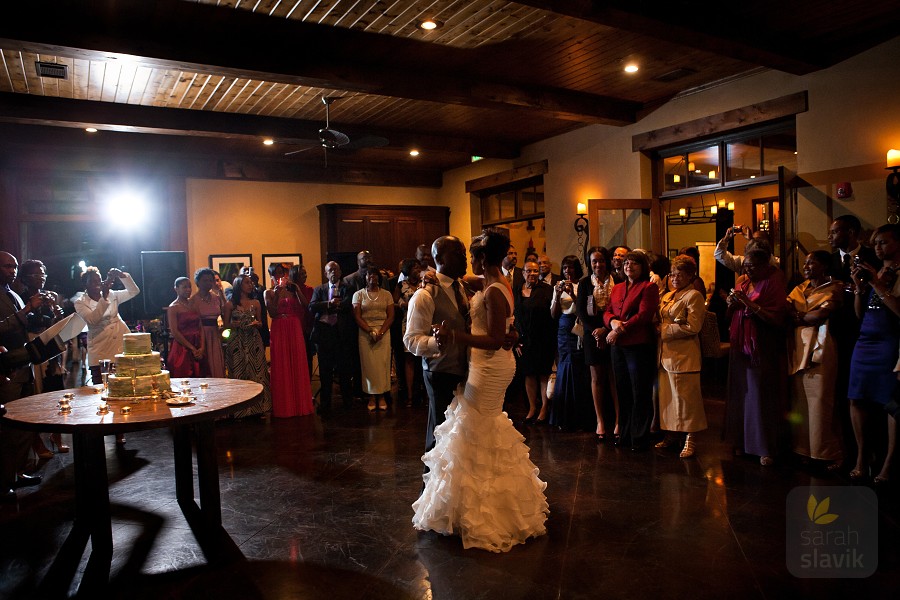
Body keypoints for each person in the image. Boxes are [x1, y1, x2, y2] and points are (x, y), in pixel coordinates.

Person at [412, 230, 548, 553]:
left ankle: (476, 508)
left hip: (488, 367)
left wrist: (456, 336)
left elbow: (495, 337)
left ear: (482, 258)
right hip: (481, 366)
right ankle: (475, 500)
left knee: (472, 428)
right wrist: (428, 273)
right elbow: (458, 281)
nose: (469, 261)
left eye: (471, 255)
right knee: (476, 427)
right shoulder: (481, 283)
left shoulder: (493, 290)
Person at [405, 236, 471, 456]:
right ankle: (431, 487)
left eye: (464, 252)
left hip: (464, 370)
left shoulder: (460, 286)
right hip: (440, 371)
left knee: (456, 436)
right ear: (440, 257)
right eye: (458, 253)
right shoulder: (424, 295)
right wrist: (436, 343)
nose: (465, 259)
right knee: (439, 434)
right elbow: (411, 339)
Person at [724, 248, 788, 466]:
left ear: (764, 266)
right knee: (741, 392)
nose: (748, 270)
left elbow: (777, 318)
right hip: (740, 343)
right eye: (746, 267)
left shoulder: (772, 284)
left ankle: (764, 446)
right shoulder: (742, 283)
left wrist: (749, 304)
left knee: (760, 395)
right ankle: (742, 442)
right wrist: (732, 305)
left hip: (761, 344)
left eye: (752, 266)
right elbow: (731, 313)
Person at [848, 224, 900, 484]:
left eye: (883, 242)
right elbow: (860, 313)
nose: (878, 248)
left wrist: (877, 285)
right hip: (865, 340)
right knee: (856, 397)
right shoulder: (877, 271)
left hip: (890, 341)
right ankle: (861, 457)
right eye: (875, 243)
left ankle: (889, 464)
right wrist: (859, 288)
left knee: (891, 403)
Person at [827, 214, 879, 467]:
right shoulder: (828, 262)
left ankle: (872, 452)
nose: (830, 237)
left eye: (835, 232)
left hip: (866, 331)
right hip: (836, 333)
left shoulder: (872, 257)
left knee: (867, 396)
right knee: (841, 394)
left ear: (851, 232)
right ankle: (847, 452)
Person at [1, 251, 51, 501]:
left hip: (24, 364)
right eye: (7, 266)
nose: (12, 270)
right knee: (7, 427)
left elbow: (26, 326)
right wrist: (26, 309)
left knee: (23, 425)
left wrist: (39, 309)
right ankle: (5, 480)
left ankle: (18, 472)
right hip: (6, 368)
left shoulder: (14, 295)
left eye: (15, 267)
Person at [787, 251, 842, 467]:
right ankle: (803, 449)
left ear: (825, 266)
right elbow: (787, 310)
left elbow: (820, 315)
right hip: (799, 346)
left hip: (821, 347)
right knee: (800, 400)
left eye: (812, 263)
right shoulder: (800, 288)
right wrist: (804, 316)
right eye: (805, 263)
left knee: (820, 400)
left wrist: (799, 315)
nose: (807, 266)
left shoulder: (835, 287)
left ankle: (824, 452)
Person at [603, 251, 659, 451]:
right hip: (618, 347)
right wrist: (612, 321)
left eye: (634, 263)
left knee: (640, 391)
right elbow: (608, 311)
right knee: (623, 391)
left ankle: (640, 436)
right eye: (626, 263)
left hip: (638, 345)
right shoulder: (617, 288)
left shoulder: (649, 287)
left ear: (643, 267)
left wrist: (619, 329)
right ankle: (625, 434)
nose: (629, 266)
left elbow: (644, 315)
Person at [656, 255, 707, 458]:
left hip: (684, 355)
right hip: (665, 355)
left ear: (690, 276)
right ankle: (672, 434)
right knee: (668, 399)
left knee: (687, 400)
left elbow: (693, 326)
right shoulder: (668, 295)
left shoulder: (693, 296)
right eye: (672, 274)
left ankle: (691, 438)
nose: (675, 278)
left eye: (680, 275)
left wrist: (664, 330)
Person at [17, 260, 67, 457]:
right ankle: (37, 442)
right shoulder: (20, 298)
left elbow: (55, 325)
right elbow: (18, 325)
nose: (41, 278)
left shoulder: (49, 298)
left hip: (49, 348)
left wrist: (56, 311)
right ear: (25, 278)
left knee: (57, 391)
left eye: (43, 275)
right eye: (36, 275)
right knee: (35, 396)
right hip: (31, 347)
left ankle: (57, 435)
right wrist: (30, 306)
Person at [577, 246, 618, 441]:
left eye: (601, 260)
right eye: (594, 261)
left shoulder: (617, 280)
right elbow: (582, 312)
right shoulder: (585, 283)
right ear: (589, 263)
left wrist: (607, 331)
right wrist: (596, 332)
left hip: (614, 332)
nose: (598, 264)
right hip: (592, 334)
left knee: (614, 377)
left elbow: (621, 308)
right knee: (597, 377)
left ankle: (619, 420)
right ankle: (600, 421)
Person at [265, 262, 314, 418]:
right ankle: (284, 405)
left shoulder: (293, 290)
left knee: (297, 363)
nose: (280, 276)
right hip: (279, 327)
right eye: (277, 273)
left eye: (283, 273)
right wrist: (278, 293)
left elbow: (306, 306)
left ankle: (301, 404)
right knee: (282, 364)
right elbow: (272, 313)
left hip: (294, 326)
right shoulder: (268, 293)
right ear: (271, 276)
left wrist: (297, 289)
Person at [550, 255, 591, 431]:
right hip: (564, 328)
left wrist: (573, 295)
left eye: (571, 267)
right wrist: (558, 294)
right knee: (564, 367)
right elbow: (553, 314)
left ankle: (581, 417)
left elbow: (583, 310)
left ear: (577, 269)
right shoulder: (557, 286)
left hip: (579, 327)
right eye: (565, 268)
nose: (568, 271)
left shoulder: (582, 285)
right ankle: (563, 416)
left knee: (579, 368)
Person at [309, 262, 355, 412]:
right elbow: (312, 306)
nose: (333, 272)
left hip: (341, 334)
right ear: (326, 274)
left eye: (335, 269)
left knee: (344, 372)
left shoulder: (348, 288)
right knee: (325, 372)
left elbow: (348, 305)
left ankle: (348, 404)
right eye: (330, 270)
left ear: (340, 272)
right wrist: (329, 304)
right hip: (324, 335)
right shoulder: (319, 289)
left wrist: (336, 306)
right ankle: (326, 405)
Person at [223, 275, 271, 418]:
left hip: (253, 339)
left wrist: (257, 323)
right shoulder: (230, 304)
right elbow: (225, 325)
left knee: (257, 373)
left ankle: (258, 409)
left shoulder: (256, 302)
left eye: (251, 283)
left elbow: (261, 322)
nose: (250, 285)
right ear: (239, 285)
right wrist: (234, 325)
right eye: (247, 283)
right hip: (237, 340)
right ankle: (239, 411)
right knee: (239, 373)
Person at [514, 260, 555, 424]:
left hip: (543, 338)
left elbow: (552, 315)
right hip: (524, 340)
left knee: (543, 373)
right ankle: (532, 407)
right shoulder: (516, 290)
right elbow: (513, 315)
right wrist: (516, 339)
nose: (532, 274)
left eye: (535, 271)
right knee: (529, 374)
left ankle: (545, 407)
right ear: (523, 273)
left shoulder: (547, 290)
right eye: (528, 271)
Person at [353, 268, 395, 411]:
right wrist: (370, 331)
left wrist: (381, 332)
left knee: (383, 365)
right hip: (365, 333)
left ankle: (382, 396)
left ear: (379, 277)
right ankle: (371, 397)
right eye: (369, 275)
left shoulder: (387, 294)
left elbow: (391, 316)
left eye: (375, 275)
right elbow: (357, 316)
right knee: (369, 366)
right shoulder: (358, 295)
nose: (372, 277)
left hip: (384, 332)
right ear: (365, 277)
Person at [393, 258, 424, 407]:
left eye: (419, 268)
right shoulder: (401, 285)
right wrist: (402, 304)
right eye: (415, 268)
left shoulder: (424, 284)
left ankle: (423, 394)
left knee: (423, 358)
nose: (418, 270)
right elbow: (393, 302)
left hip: (423, 323)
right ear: (408, 270)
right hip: (408, 323)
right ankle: (410, 396)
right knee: (409, 359)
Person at [166, 277, 205, 378]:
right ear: (176, 289)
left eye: (189, 287)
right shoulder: (173, 307)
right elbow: (175, 332)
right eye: (184, 287)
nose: (188, 289)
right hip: (182, 346)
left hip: (197, 343)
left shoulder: (194, 305)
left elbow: (201, 327)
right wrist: (191, 348)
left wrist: (202, 347)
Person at [191, 268, 226, 378]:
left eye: (210, 280)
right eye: (205, 280)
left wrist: (220, 291)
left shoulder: (216, 298)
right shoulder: (193, 300)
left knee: (216, 361)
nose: (208, 283)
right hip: (201, 333)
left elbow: (225, 311)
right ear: (198, 282)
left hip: (215, 332)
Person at [289, 264, 316, 376]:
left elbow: (307, 305)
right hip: (292, 330)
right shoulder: (287, 291)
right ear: (295, 276)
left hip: (306, 329)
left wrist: (298, 290)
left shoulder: (309, 290)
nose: (305, 275)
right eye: (302, 274)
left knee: (307, 359)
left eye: (305, 273)